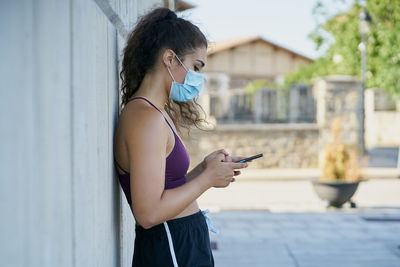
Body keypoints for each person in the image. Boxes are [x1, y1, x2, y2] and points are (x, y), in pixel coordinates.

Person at [113, 7, 249, 267]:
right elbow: (148, 213)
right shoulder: (145, 118)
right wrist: (208, 180)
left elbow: (164, 188)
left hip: (180, 242)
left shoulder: (154, 113)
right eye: (196, 66)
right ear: (169, 58)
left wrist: (203, 170)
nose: (198, 77)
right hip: (171, 246)